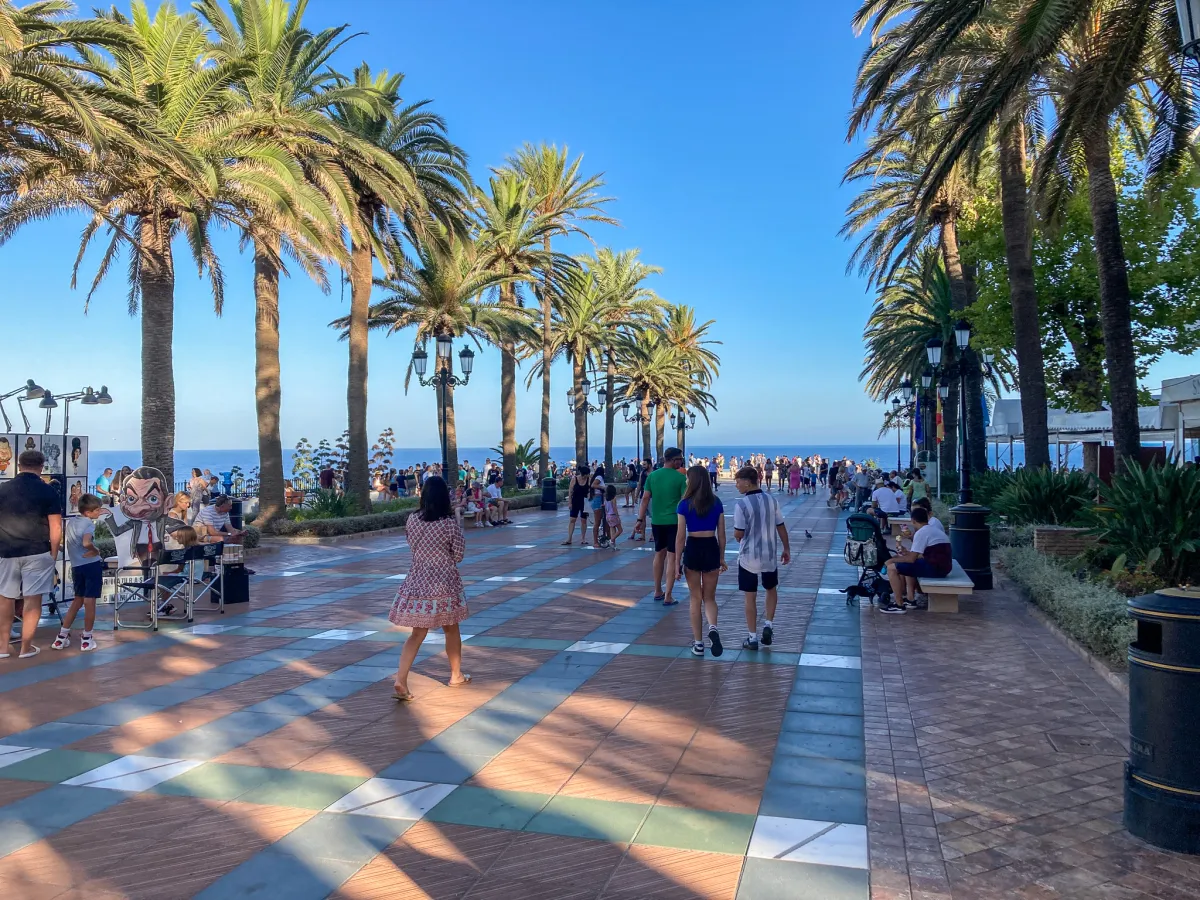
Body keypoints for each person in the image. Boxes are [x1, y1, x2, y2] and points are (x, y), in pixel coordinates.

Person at [388, 476, 471, 701]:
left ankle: (401, 680)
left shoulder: (412, 519)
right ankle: (456, 675)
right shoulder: (447, 523)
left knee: (417, 633)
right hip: (444, 582)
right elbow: (459, 554)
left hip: (417, 579)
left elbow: (411, 544)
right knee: (451, 629)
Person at [0, 450, 62, 659]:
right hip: (38, 551)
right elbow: (55, 526)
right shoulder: (48, 491)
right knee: (32, 600)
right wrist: (53, 554)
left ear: (18, 465)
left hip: (6, 551)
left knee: (5, 599)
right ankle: (26, 648)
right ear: (41, 467)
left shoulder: (2, 489)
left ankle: (2, 648)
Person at [733, 466, 791, 650]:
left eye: (738, 481)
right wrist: (786, 548)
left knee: (750, 597)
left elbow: (738, 533)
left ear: (747, 482)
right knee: (771, 589)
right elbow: (780, 525)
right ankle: (768, 624)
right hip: (769, 555)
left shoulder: (741, 505)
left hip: (749, 558)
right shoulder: (772, 500)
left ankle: (752, 637)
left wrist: (738, 536)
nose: (736, 485)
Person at [675, 464, 727, 656]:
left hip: (694, 548)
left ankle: (698, 644)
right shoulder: (717, 502)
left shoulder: (684, 504)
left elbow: (680, 537)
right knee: (710, 598)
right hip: (711, 546)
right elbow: (722, 533)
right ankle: (713, 627)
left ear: (692, 480)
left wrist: (676, 565)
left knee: (695, 598)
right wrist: (721, 557)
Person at [51, 493, 106, 652]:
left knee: (77, 600)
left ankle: (61, 637)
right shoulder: (89, 524)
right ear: (89, 513)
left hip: (77, 566)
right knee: (90, 602)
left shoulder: (72, 522)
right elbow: (86, 542)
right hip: (90, 565)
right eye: (97, 510)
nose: (99, 513)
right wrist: (95, 550)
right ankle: (87, 638)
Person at [634, 448, 687, 605]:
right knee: (672, 557)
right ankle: (668, 595)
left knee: (659, 554)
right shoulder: (680, 478)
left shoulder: (653, 476)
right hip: (674, 522)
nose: (680, 461)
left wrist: (639, 519)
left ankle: (657, 590)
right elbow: (684, 501)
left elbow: (645, 499)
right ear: (670, 459)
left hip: (657, 522)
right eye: (678, 459)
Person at [885, 506, 952, 611]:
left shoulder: (921, 532)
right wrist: (905, 553)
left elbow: (911, 559)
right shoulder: (932, 530)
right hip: (943, 567)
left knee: (892, 568)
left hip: (936, 569)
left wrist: (892, 560)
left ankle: (899, 605)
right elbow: (920, 555)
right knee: (907, 565)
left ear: (913, 520)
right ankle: (910, 599)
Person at [562, 465, 594, 546]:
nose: (588, 475)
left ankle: (583, 539)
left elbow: (591, 490)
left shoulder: (589, 480)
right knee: (572, 519)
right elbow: (570, 491)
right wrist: (570, 502)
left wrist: (590, 495)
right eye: (587, 474)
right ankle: (569, 538)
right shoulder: (574, 479)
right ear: (584, 474)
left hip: (584, 502)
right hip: (575, 501)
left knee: (583, 520)